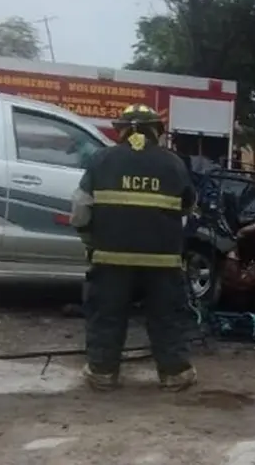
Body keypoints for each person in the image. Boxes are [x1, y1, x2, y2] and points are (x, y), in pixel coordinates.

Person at [69, 103, 198, 392]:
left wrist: (90, 241)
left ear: (123, 130)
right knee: (166, 317)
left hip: (111, 259)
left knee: (107, 314)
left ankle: (102, 374)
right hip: (163, 263)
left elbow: (80, 209)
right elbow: (190, 206)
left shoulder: (101, 160)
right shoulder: (174, 163)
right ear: (156, 130)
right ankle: (175, 374)